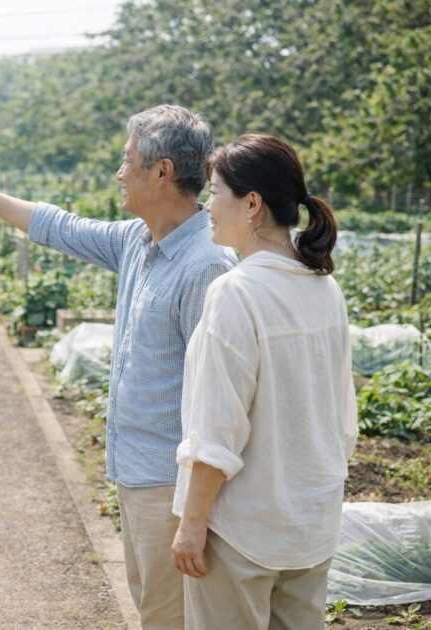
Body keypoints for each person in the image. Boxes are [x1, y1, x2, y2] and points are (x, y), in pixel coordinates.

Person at [0, 104, 236, 629]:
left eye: (128, 160)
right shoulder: (138, 242)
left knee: (169, 617)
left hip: (171, 483)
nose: (119, 173)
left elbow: (219, 395)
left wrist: (196, 513)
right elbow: (61, 227)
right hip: (135, 470)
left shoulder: (205, 264)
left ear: (162, 172)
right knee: (150, 605)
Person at [170, 134, 358, 629]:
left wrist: (191, 527)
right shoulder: (325, 286)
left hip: (242, 531)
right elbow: (342, 419)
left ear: (251, 203)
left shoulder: (237, 293)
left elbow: (216, 432)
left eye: (214, 192)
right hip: (309, 527)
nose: (207, 205)